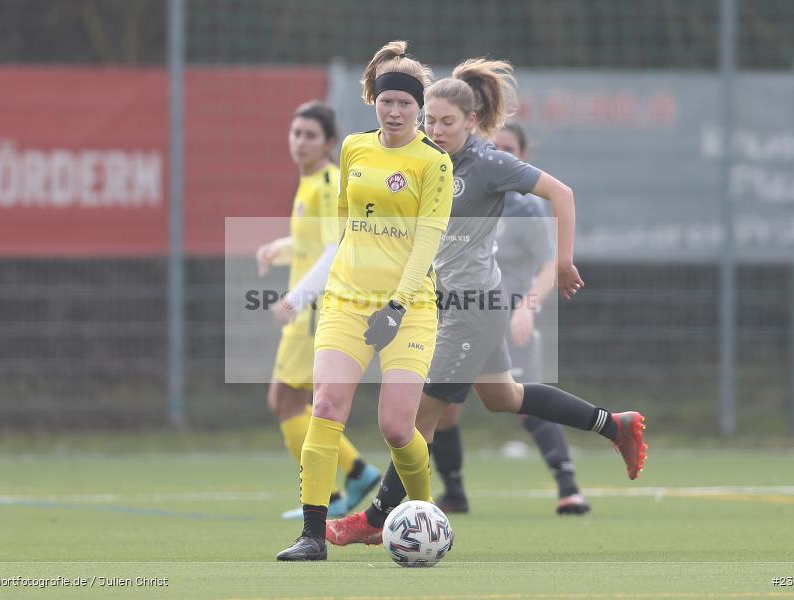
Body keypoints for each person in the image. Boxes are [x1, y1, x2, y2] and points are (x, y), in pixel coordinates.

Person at [327, 58, 647, 546]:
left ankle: (375, 519)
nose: (435, 129)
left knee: (416, 420)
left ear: (471, 122)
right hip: (448, 306)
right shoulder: (419, 157)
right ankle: (614, 425)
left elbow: (562, 194)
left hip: (471, 309)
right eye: (429, 120)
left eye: (446, 122)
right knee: (506, 398)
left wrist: (563, 262)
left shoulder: (489, 162)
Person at [276, 41, 454, 561]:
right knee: (326, 406)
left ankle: (424, 518)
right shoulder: (354, 148)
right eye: (386, 101)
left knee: (398, 428)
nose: (395, 111)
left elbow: (428, 240)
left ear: (419, 109)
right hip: (347, 301)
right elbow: (348, 229)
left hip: (410, 307)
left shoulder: (434, 162)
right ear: (373, 101)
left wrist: (396, 306)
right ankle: (312, 536)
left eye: (405, 104)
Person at [432, 121, 590, 517]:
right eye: (495, 147)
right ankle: (454, 493)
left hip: (511, 314)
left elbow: (547, 264)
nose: (500, 154)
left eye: (509, 149)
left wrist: (528, 307)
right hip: (464, 314)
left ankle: (569, 487)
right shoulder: (462, 193)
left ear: (522, 156)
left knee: (523, 402)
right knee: (444, 409)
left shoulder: (528, 206)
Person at [256, 101, 382, 521]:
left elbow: (335, 247)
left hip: (317, 309)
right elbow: (314, 242)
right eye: (295, 133)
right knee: (294, 400)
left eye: (310, 135)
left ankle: (334, 490)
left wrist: (298, 298)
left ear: (330, 142)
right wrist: (280, 248)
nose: (300, 142)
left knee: (285, 400)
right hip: (312, 306)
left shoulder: (329, 183)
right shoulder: (311, 182)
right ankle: (355, 474)